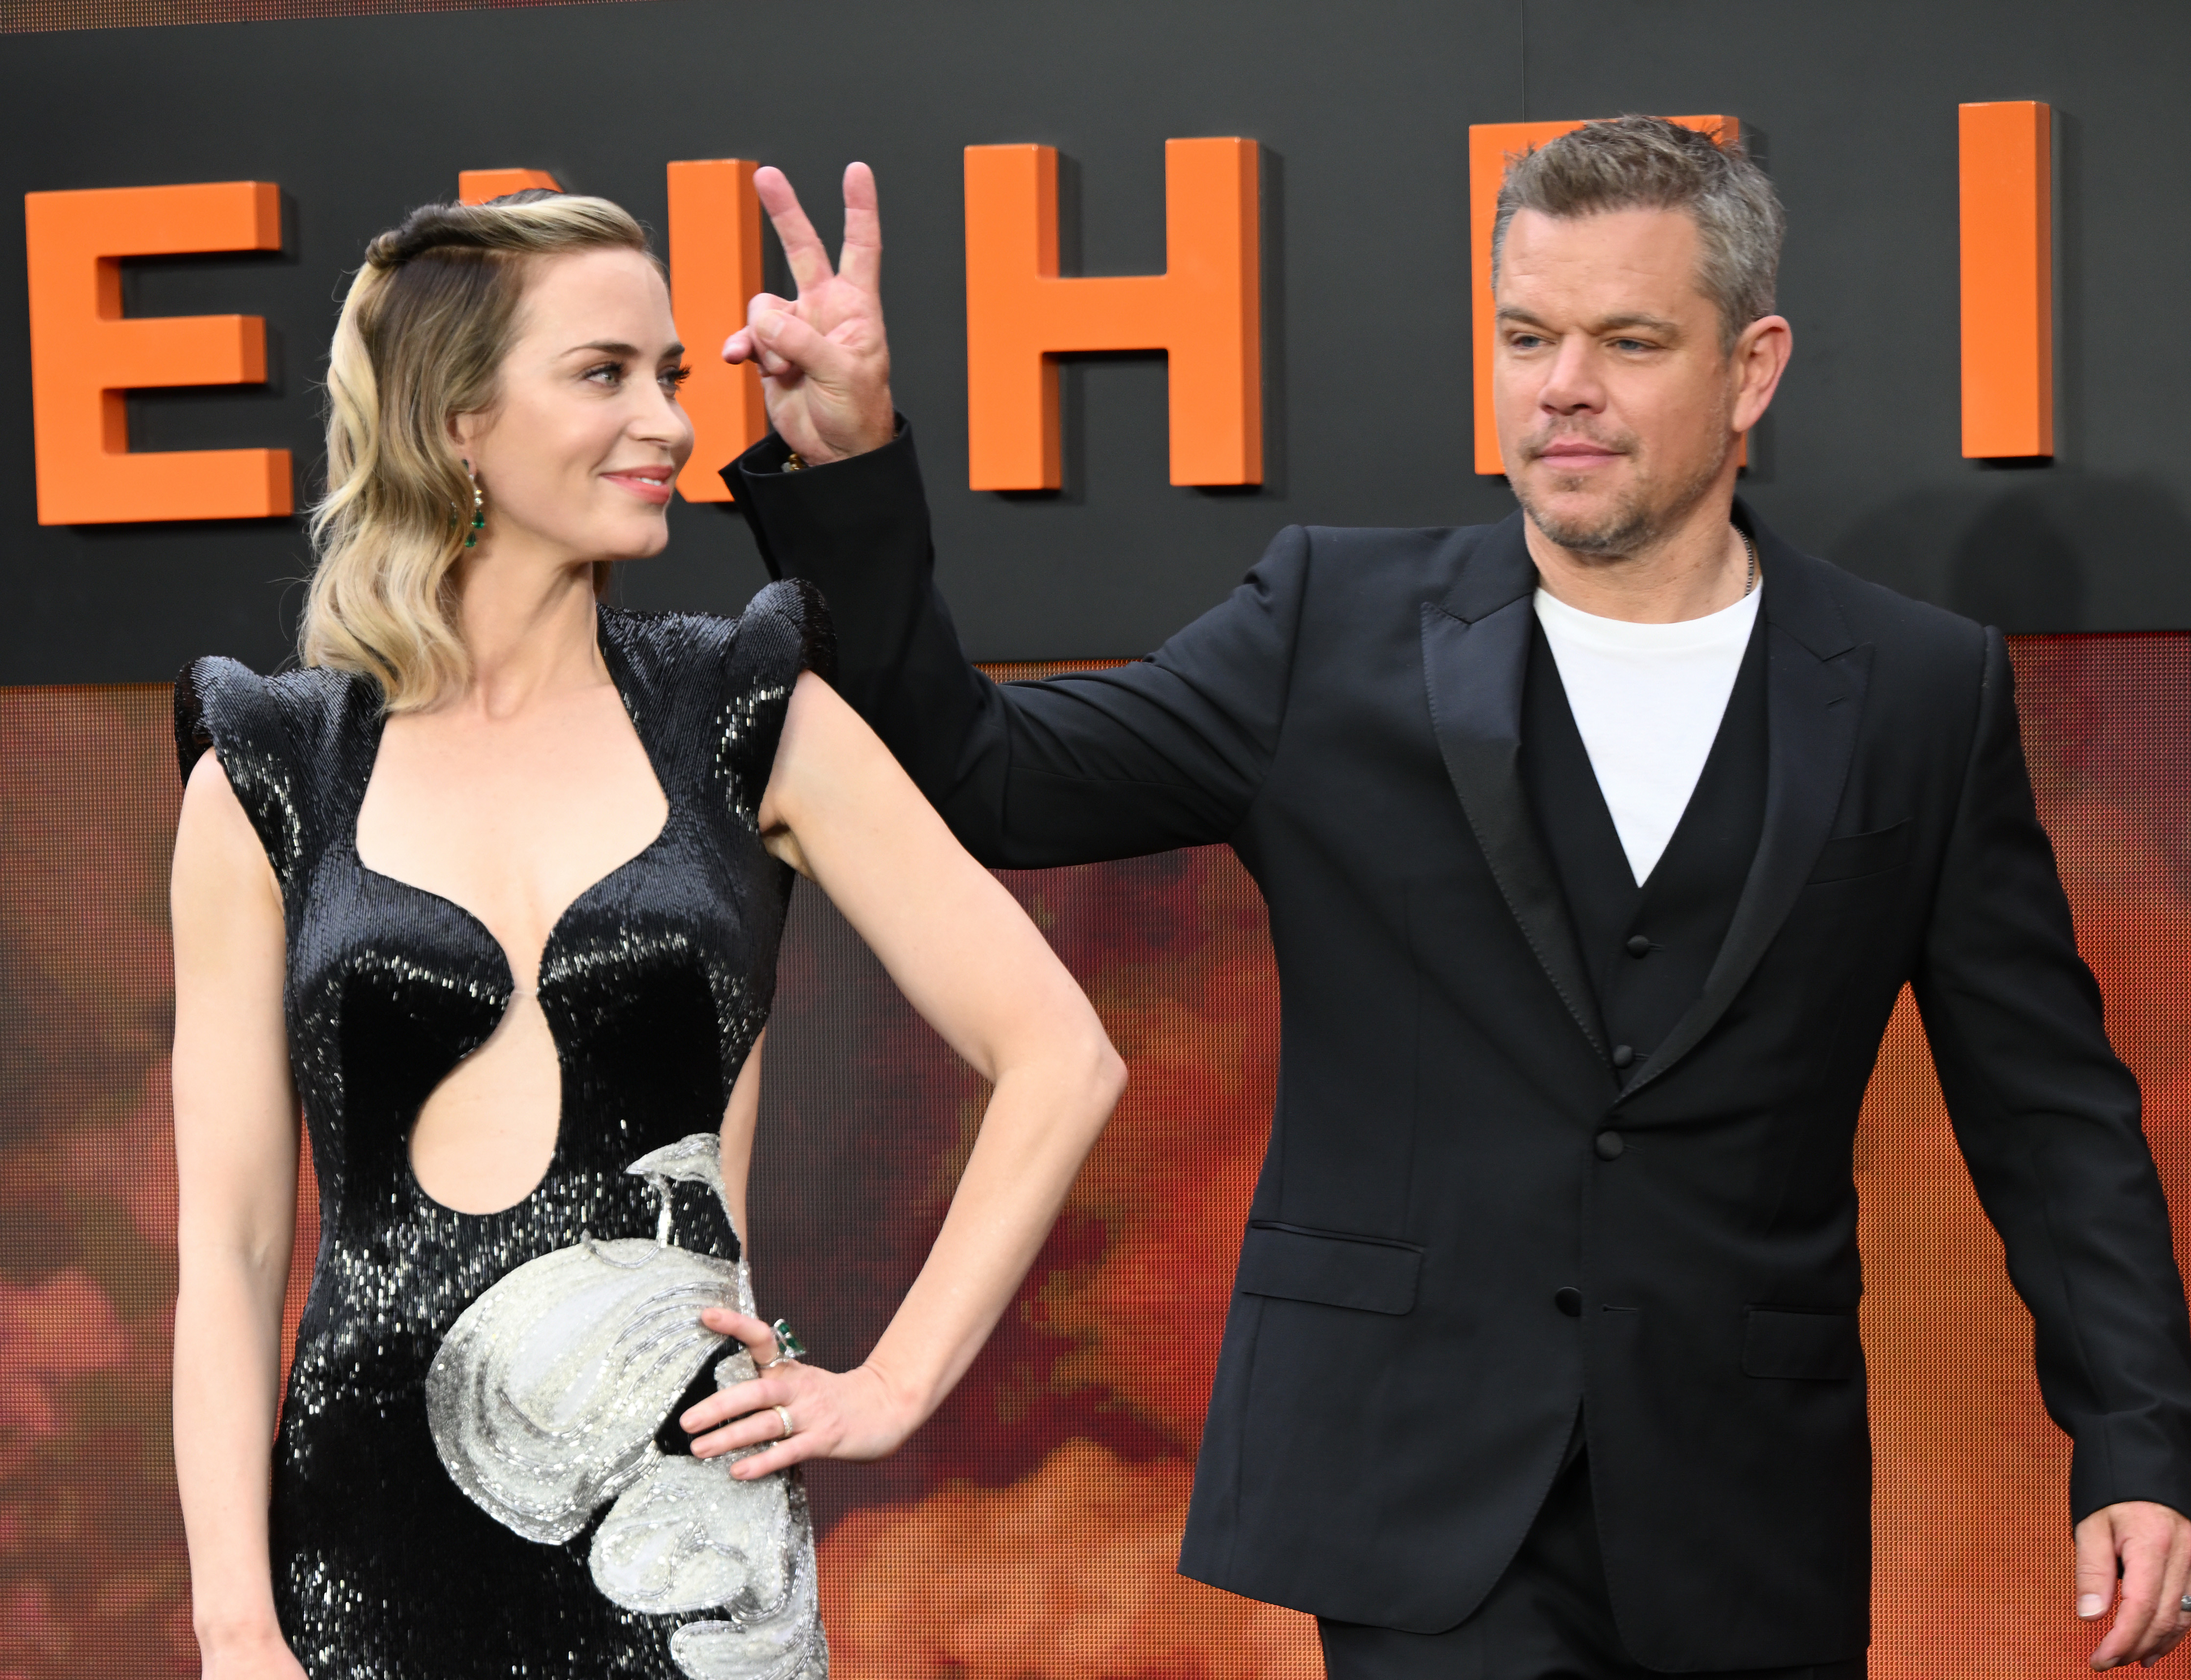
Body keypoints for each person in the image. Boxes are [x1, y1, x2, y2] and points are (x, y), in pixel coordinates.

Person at [715, 121, 2191, 1677]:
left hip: (1747, 1508)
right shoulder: (1327, 623)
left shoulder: (1913, 689)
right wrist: (852, 464)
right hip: (1417, 1494)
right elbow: (984, 773)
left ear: (1752, 370)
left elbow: (2049, 1110)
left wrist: (2141, 1441)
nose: (1565, 385)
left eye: (1628, 342)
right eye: (1527, 336)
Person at [168, 190, 1125, 1680]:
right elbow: (229, 1246)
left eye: (672, 374)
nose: (672, 423)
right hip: (356, 1562)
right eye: (606, 373)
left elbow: (1062, 1052)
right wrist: (235, 1622)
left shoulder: (746, 712)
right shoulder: (272, 768)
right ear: (458, 421)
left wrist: (888, 1384)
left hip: (687, 1558)